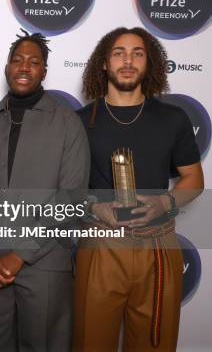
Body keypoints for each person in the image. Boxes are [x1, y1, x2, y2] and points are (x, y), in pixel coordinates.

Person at [73, 27, 204, 351]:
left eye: (137, 53)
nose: (127, 60)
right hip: (101, 245)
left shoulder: (173, 118)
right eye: (118, 52)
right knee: (91, 344)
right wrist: (93, 207)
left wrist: (166, 203)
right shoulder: (78, 121)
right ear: (103, 63)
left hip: (158, 247)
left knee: (154, 346)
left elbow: (194, 179)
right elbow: (61, 188)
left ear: (150, 63)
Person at [0, 30, 90, 351]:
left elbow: (71, 199)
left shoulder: (67, 124)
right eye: (18, 60)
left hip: (45, 265)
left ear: (44, 72)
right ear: (7, 67)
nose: (24, 67)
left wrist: (20, 254)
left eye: (34, 62)